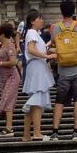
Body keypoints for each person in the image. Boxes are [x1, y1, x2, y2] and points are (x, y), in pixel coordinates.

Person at [49, 0, 77, 141]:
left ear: (61, 11)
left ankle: (55, 132)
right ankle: (76, 132)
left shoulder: (54, 27)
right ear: (73, 11)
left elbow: (53, 44)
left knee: (59, 100)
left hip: (63, 69)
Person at [22, 9, 56, 142]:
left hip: (37, 67)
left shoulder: (35, 33)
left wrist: (49, 50)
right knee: (37, 101)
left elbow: (36, 49)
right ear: (32, 21)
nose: (42, 20)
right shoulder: (31, 32)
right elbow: (31, 49)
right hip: (37, 67)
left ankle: (26, 135)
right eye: (39, 18)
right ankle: (36, 132)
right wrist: (47, 56)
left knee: (35, 102)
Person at [0, 22, 21, 137]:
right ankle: (9, 127)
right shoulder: (3, 46)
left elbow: (13, 62)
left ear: (3, 34)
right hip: (4, 77)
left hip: (12, 76)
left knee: (7, 99)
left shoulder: (9, 45)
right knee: (9, 102)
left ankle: (2, 114)